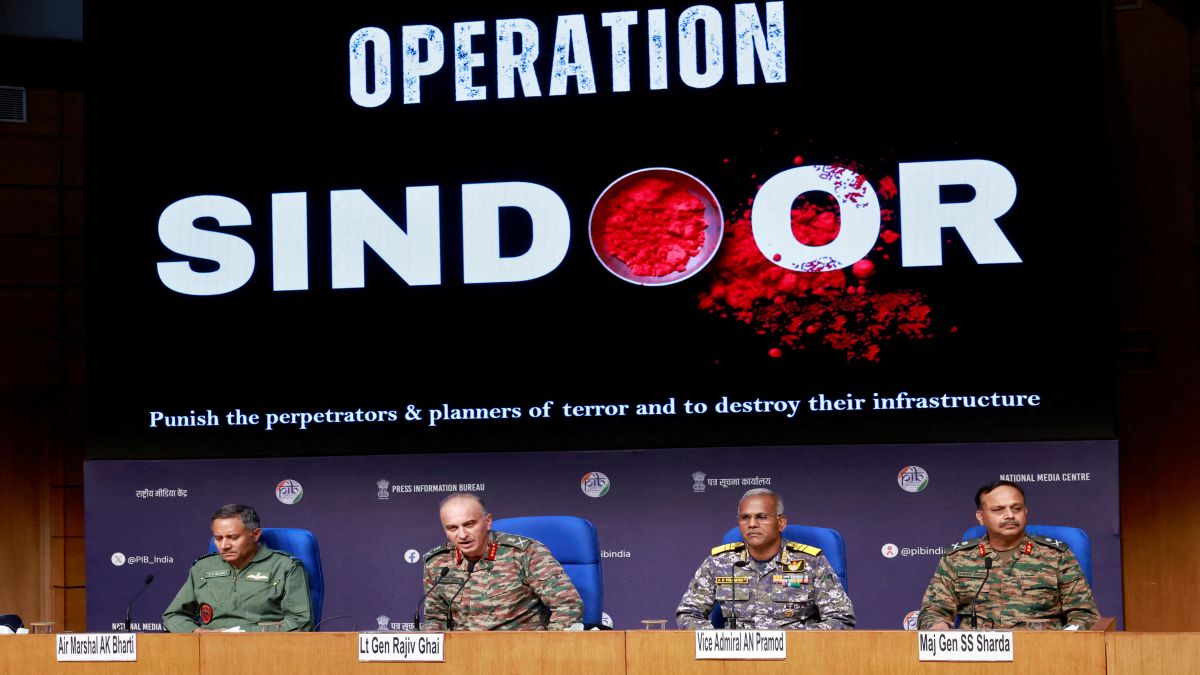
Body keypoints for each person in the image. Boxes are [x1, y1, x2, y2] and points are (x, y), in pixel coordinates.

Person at [918, 480, 1099, 630]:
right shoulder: (957, 558)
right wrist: (937, 626)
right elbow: (934, 610)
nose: (1010, 515)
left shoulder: (1057, 555)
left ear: (1025, 512)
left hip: (1042, 656)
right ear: (980, 517)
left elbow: (1083, 613)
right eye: (998, 510)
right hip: (976, 658)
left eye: (1016, 508)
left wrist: (1068, 638)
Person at [676, 488, 855, 630]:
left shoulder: (812, 562)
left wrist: (792, 640)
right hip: (738, 659)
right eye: (745, 517)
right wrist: (719, 643)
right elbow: (688, 613)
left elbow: (841, 618)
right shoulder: (719, 562)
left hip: (796, 659)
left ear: (781, 523)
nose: (752, 524)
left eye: (761, 517)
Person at [421, 493, 583, 630]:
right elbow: (436, 619)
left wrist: (544, 651)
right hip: (465, 657)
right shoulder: (438, 563)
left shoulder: (525, 553)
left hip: (522, 655)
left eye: (469, 524)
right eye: (453, 528)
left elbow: (568, 606)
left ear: (488, 521)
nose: (462, 535)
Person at [163, 504, 313, 632]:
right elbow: (173, 616)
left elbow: (300, 622)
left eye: (233, 538)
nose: (224, 546)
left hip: (265, 650)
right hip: (210, 649)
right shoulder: (202, 568)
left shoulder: (285, 566)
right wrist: (197, 632)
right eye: (218, 538)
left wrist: (241, 635)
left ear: (255, 534)